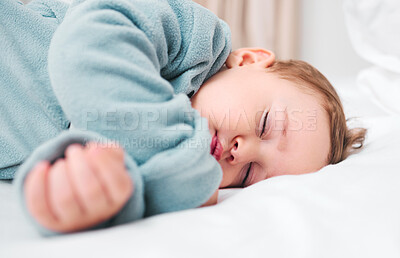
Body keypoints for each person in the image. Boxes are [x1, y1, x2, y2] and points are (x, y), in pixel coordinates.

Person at [0, 0, 366, 235]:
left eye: (250, 175)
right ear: (249, 60)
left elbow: (116, 184)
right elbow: (88, 42)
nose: (240, 154)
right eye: (266, 124)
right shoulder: (193, 39)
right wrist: (188, 166)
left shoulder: (167, 163)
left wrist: (103, 198)